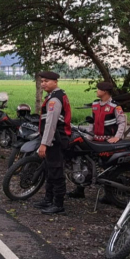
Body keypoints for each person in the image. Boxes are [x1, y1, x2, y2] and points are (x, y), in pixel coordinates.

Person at [69, 81, 126, 199]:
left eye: (98, 89)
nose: (97, 91)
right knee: (87, 162)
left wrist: (117, 137)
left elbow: (122, 122)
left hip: (108, 141)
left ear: (105, 91)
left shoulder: (115, 106)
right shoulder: (95, 105)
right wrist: (89, 136)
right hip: (95, 139)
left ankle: (109, 195)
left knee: (106, 166)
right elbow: (92, 123)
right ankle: (80, 189)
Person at [33, 71, 71, 215]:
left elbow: (51, 124)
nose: (43, 83)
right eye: (42, 81)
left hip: (56, 140)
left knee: (56, 172)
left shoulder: (55, 99)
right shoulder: (54, 96)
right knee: (49, 170)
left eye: (46, 81)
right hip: (54, 139)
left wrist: (44, 144)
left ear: (55, 82)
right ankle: (48, 199)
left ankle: (58, 204)